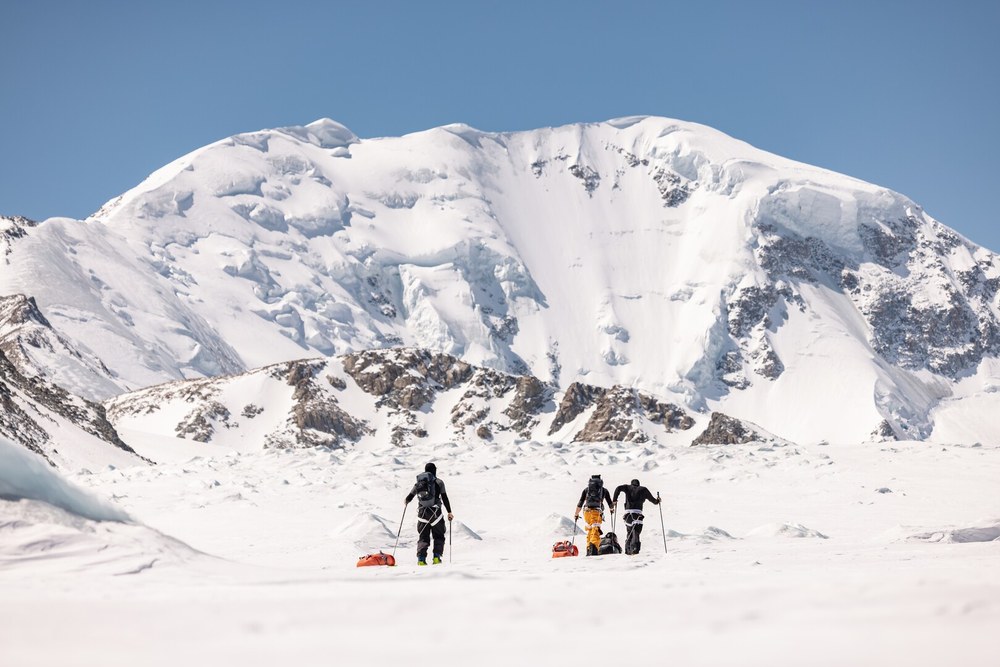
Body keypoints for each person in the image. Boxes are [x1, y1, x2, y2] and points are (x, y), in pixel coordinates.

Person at [404, 462, 453, 565]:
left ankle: (421, 559)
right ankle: (436, 557)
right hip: (436, 514)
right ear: (434, 470)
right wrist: (449, 512)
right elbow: (444, 498)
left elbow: (409, 497)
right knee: (439, 536)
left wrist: (407, 501)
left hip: (422, 513)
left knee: (423, 537)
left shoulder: (419, 483)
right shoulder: (439, 482)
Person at [612, 478, 660, 555]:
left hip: (627, 516)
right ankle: (634, 548)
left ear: (631, 484)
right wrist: (658, 500)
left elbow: (618, 488)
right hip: (637, 515)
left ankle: (628, 550)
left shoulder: (627, 487)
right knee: (636, 532)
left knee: (629, 532)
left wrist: (614, 500)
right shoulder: (643, 489)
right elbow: (654, 501)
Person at [574, 474, 613, 556]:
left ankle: (589, 549)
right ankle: (593, 549)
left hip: (586, 512)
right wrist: (612, 509)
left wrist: (576, 514)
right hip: (597, 512)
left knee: (590, 530)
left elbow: (580, 503)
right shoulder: (604, 490)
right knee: (595, 530)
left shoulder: (586, 490)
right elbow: (610, 503)